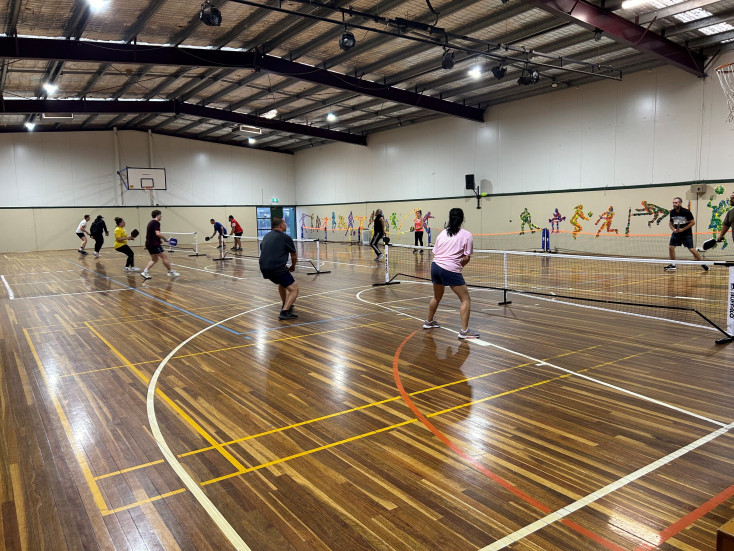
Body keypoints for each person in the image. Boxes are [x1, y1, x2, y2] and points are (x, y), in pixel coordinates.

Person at [423, 208, 479, 340]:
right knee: (465, 299)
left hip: (435, 267)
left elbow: (435, 253)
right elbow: (466, 258)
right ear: (462, 219)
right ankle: (464, 331)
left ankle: (429, 322)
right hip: (450, 269)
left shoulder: (442, 233)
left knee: (437, 297)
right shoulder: (466, 235)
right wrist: (458, 267)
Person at [259, 216, 299, 320]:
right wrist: (293, 266)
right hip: (276, 268)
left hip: (264, 267)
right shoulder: (285, 237)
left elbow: (265, 250)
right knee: (294, 289)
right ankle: (285, 312)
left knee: (283, 284)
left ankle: (285, 304)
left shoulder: (266, 236)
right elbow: (294, 256)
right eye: (285, 223)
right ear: (281, 225)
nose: (286, 224)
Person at [665, 197, 708, 272]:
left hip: (686, 234)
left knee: (691, 249)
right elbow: (670, 223)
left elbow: (693, 222)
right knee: (671, 247)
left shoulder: (686, 212)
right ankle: (673, 265)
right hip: (676, 233)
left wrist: (683, 229)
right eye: (673, 203)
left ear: (680, 203)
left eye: (676, 203)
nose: (674, 204)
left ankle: (702, 263)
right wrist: (673, 229)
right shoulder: (672, 212)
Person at [141, 210, 179, 280]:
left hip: (149, 244)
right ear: (157, 215)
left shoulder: (150, 222)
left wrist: (159, 240)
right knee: (164, 257)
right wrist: (165, 239)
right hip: (154, 244)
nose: (161, 216)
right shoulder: (156, 223)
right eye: (160, 215)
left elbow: (152, 234)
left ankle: (145, 271)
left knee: (154, 259)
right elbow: (157, 233)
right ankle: (170, 271)